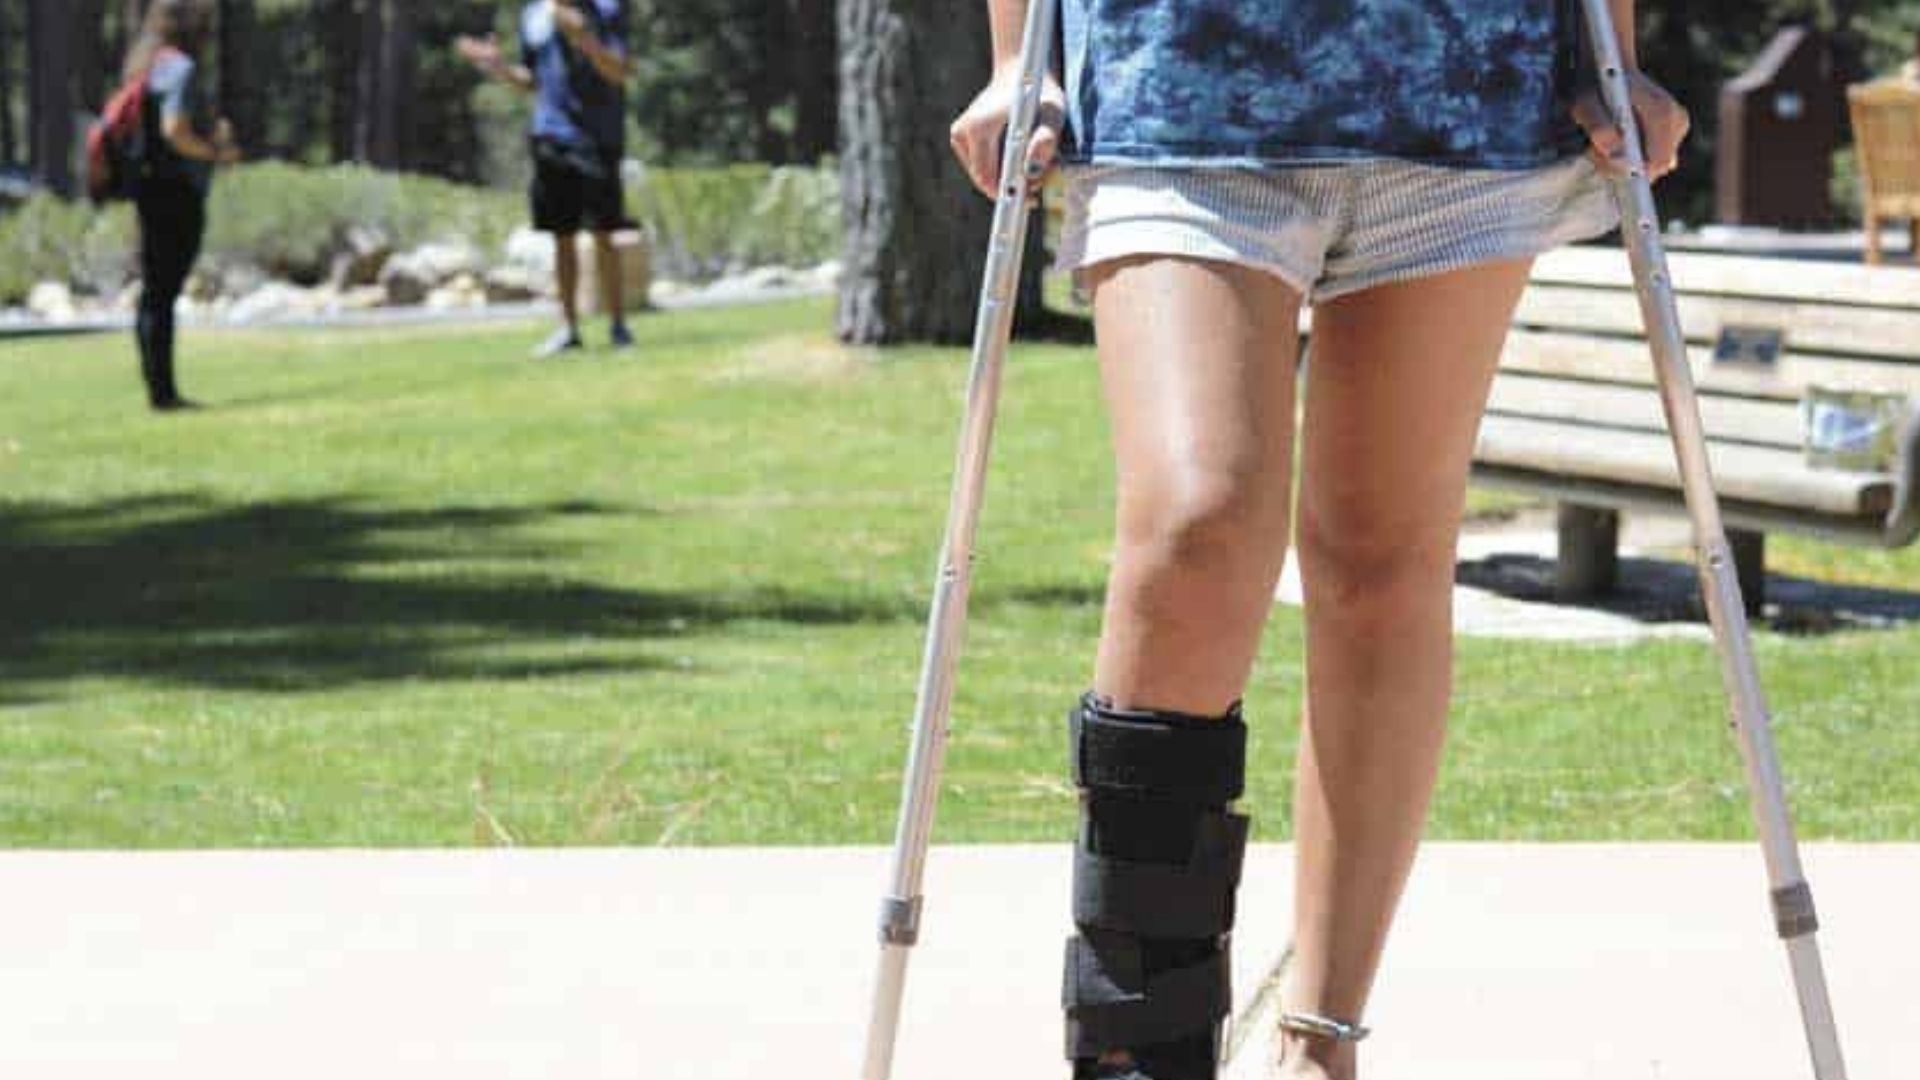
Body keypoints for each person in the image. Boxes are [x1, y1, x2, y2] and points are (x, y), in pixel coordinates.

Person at [948, 3, 1688, 1079]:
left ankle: (1321, 1044)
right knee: (1195, 523)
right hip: (1179, 94)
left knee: (1380, 563)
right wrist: (1018, 59)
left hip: (1462, 94)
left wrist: (1608, 48)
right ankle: (1139, 1046)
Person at [458, 0, 637, 359]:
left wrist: (583, 38)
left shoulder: (605, 10)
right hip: (550, 137)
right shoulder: (533, 15)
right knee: (562, 236)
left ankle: (619, 328)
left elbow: (621, 71)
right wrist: (499, 68)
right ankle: (568, 329)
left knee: (604, 234)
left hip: (597, 136)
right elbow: (532, 81)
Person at [124, 0, 239, 411]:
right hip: (175, 193)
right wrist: (214, 152)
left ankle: (159, 389)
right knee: (162, 293)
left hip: (149, 190)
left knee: (154, 293)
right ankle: (164, 394)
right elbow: (174, 130)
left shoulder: (149, 64)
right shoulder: (179, 68)